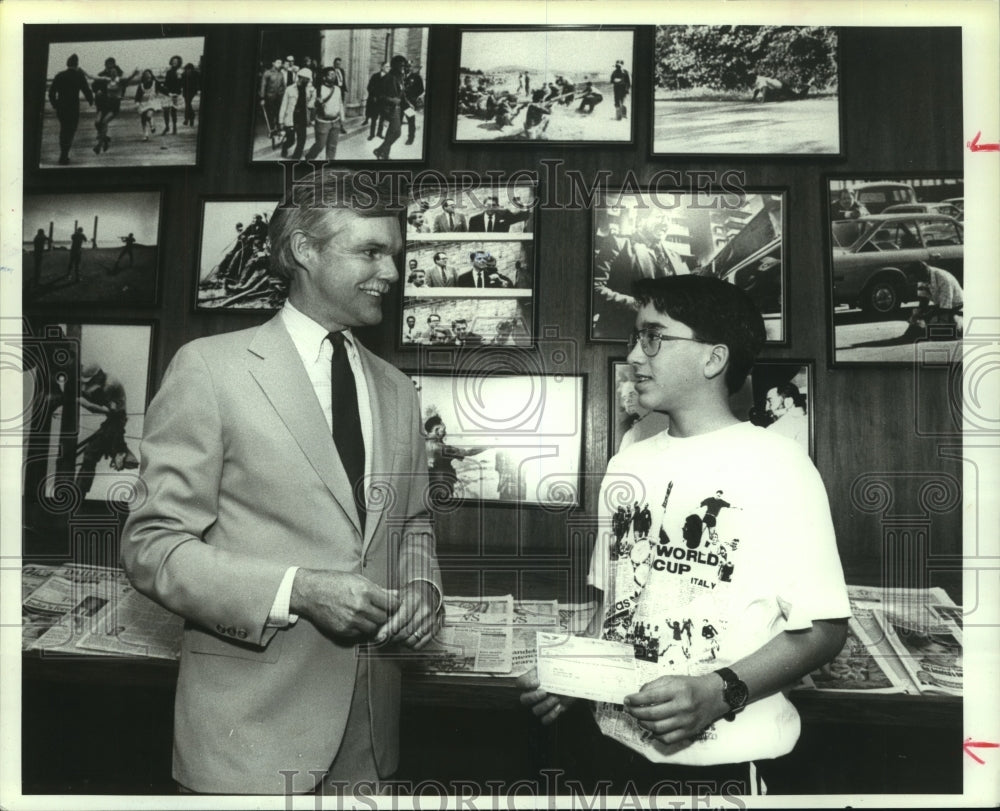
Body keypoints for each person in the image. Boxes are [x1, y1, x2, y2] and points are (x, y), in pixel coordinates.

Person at [122, 169, 442, 795]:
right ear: (304, 252)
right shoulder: (210, 370)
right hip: (248, 740)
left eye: (396, 255)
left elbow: (413, 522)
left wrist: (423, 584)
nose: (393, 274)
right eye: (371, 251)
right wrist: (297, 591)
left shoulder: (398, 390)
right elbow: (152, 547)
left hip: (369, 739)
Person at [519, 275, 849, 796]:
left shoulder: (780, 465)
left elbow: (824, 631)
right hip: (612, 751)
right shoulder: (627, 461)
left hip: (728, 766)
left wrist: (719, 694)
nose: (633, 354)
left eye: (653, 337)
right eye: (635, 337)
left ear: (713, 359)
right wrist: (570, 675)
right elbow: (616, 605)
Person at [74, 364, 138, 499]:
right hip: (112, 421)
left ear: (98, 376)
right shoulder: (100, 380)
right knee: (90, 456)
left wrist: (77, 398)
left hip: (116, 421)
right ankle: (80, 491)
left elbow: (94, 406)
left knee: (91, 454)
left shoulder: (110, 385)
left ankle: (79, 492)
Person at [47, 53, 94, 164]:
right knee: (71, 130)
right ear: (77, 64)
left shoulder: (59, 75)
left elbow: (51, 92)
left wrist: (55, 104)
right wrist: (91, 100)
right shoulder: (79, 75)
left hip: (61, 107)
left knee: (64, 129)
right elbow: (86, 89)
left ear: (67, 64)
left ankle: (63, 154)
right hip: (73, 107)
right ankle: (64, 154)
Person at [91, 58, 139, 154]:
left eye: (111, 65)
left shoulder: (118, 76)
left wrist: (121, 95)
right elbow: (94, 85)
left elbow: (125, 83)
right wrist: (97, 91)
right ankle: (104, 139)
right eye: (107, 65)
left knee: (104, 122)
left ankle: (100, 144)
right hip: (101, 103)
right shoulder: (102, 75)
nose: (109, 67)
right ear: (105, 65)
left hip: (112, 104)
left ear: (114, 65)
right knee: (97, 123)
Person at [374, 55, 409, 160]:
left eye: (404, 65)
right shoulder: (387, 78)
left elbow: (401, 94)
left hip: (397, 108)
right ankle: (380, 150)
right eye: (401, 65)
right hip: (388, 109)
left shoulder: (400, 78)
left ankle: (384, 154)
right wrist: (391, 100)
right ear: (395, 66)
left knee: (391, 132)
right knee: (397, 132)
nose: (403, 68)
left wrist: (408, 104)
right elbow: (378, 95)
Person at [305, 66, 344, 160]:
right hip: (323, 122)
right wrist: (316, 102)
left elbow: (340, 103)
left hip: (336, 121)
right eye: (331, 75)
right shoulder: (318, 89)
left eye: (334, 74)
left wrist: (342, 118)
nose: (333, 76)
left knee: (332, 146)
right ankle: (309, 158)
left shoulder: (337, 89)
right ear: (324, 77)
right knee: (320, 145)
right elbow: (310, 105)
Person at [278, 67, 315, 160]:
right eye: (306, 79)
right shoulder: (289, 89)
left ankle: (295, 159)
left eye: (308, 79)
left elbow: (311, 105)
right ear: (300, 77)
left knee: (302, 141)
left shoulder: (309, 90)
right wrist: (281, 121)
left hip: (302, 118)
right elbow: (283, 106)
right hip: (291, 118)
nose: (307, 81)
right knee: (291, 141)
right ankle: (285, 147)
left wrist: (313, 95)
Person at [764, 383, 809, 453]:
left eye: (770, 401)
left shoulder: (777, 428)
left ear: (788, 402)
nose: (767, 408)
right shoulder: (808, 422)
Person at [259, 57, 287, 142]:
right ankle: (272, 130)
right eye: (278, 62)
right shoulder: (267, 73)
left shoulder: (281, 74)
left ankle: (279, 129)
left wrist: (285, 96)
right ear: (273, 63)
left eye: (281, 62)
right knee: (271, 114)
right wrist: (262, 98)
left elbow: (284, 86)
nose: (280, 64)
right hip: (270, 97)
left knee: (279, 113)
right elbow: (263, 86)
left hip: (280, 97)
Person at [135, 69, 166, 141]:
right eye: (145, 74)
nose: (147, 75)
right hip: (143, 103)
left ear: (151, 75)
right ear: (144, 76)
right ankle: (145, 134)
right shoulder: (141, 85)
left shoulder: (155, 83)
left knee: (149, 115)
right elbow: (137, 96)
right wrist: (137, 102)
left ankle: (152, 125)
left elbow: (162, 89)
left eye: (149, 74)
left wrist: (169, 93)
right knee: (143, 119)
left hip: (152, 102)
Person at [162, 55, 185, 135]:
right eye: (173, 61)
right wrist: (165, 89)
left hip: (175, 94)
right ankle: (167, 126)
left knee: (173, 111)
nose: (174, 62)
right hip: (168, 93)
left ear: (179, 63)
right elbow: (166, 83)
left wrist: (180, 77)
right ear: (171, 62)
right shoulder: (168, 72)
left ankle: (174, 127)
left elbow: (181, 84)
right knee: (165, 111)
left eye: (176, 61)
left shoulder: (180, 72)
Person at [365, 62, 388, 140]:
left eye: (389, 67)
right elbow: (369, 87)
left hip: (384, 101)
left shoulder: (390, 77)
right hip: (375, 101)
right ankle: (372, 134)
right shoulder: (375, 76)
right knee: (374, 118)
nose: (388, 68)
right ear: (382, 67)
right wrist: (374, 96)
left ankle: (379, 133)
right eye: (386, 66)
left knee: (382, 118)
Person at [403, 63, 424, 145]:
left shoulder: (416, 77)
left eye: (408, 66)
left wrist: (414, 97)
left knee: (411, 120)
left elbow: (421, 89)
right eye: (405, 66)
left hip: (410, 103)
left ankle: (410, 138)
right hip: (401, 102)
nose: (406, 68)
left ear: (412, 68)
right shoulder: (401, 76)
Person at [181, 62, 201, 127]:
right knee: (188, 104)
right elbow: (182, 83)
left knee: (188, 104)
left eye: (189, 69)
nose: (188, 70)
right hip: (185, 91)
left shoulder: (196, 74)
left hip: (192, 91)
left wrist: (198, 89)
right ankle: (190, 119)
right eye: (187, 69)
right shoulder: (183, 74)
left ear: (191, 69)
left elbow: (198, 82)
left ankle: (187, 119)